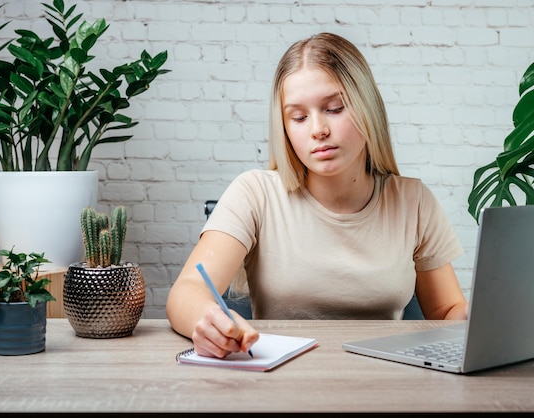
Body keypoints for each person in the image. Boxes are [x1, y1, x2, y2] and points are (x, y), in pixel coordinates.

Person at [166, 32, 468, 359]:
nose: (317, 129)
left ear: (367, 107)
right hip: (281, 382)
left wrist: (480, 314)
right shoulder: (254, 193)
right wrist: (208, 321)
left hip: (386, 385)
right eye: (298, 117)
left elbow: (447, 311)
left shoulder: (414, 201)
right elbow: (186, 293)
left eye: (334, 108)